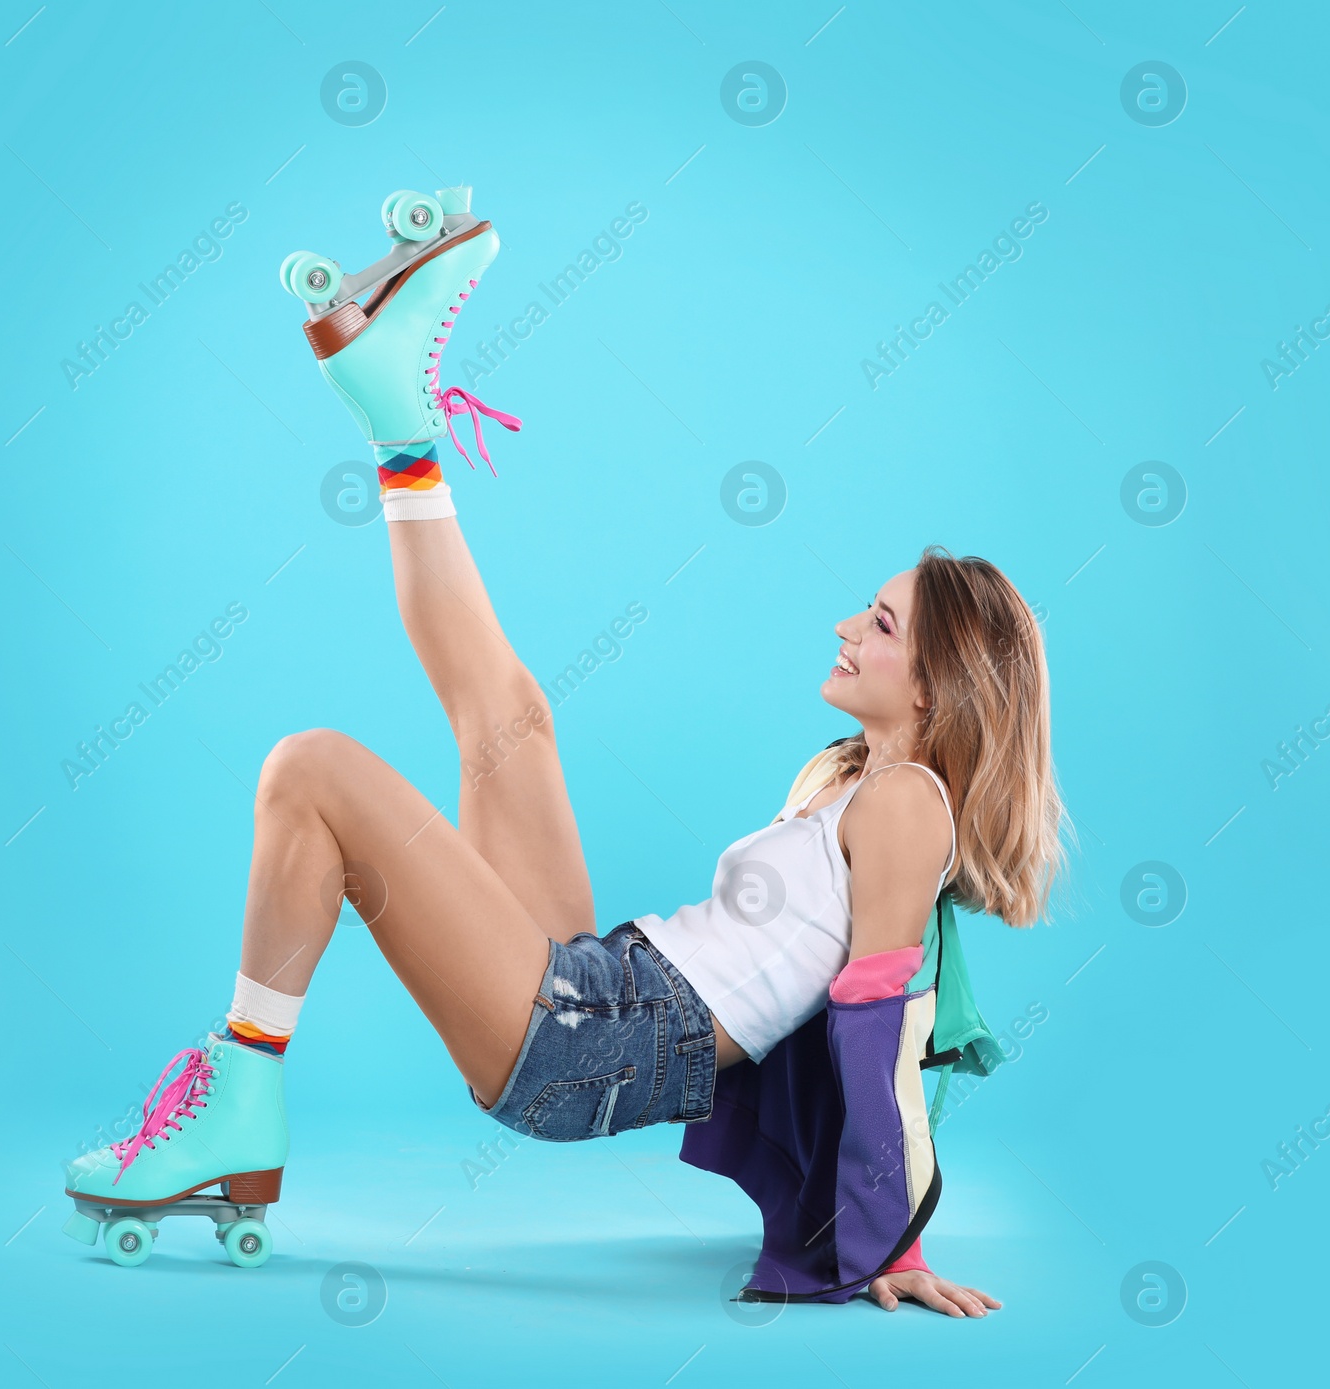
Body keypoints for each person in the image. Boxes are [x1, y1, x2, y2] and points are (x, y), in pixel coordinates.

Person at [62, 191, 1065, 1316]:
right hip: (600, 990)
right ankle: (397, 421)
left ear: (937, 689)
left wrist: (889, 1239)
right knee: (509, 715)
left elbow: (883, 1034)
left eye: (880, 625)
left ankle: (239, 1095)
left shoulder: (907, 805)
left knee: (314, 770)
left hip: (583, 1045)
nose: (847, 626)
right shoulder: (845, 778)